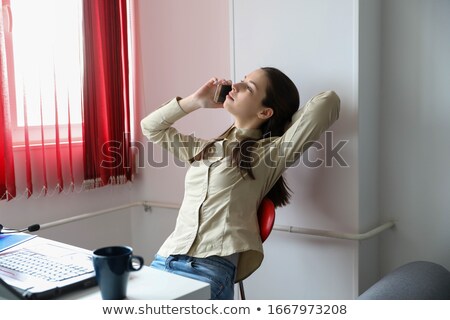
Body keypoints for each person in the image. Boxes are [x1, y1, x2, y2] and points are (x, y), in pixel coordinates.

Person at [141, 67, 340, 299]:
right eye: (243, 80)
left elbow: (328, 101)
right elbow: (150, 127)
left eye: (249, 87)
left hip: (208, 269)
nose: (236, 86)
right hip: (165, 259)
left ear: (265, 111)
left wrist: (281, 125)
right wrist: (195, 101)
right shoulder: (205, 149)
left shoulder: (269, 154)